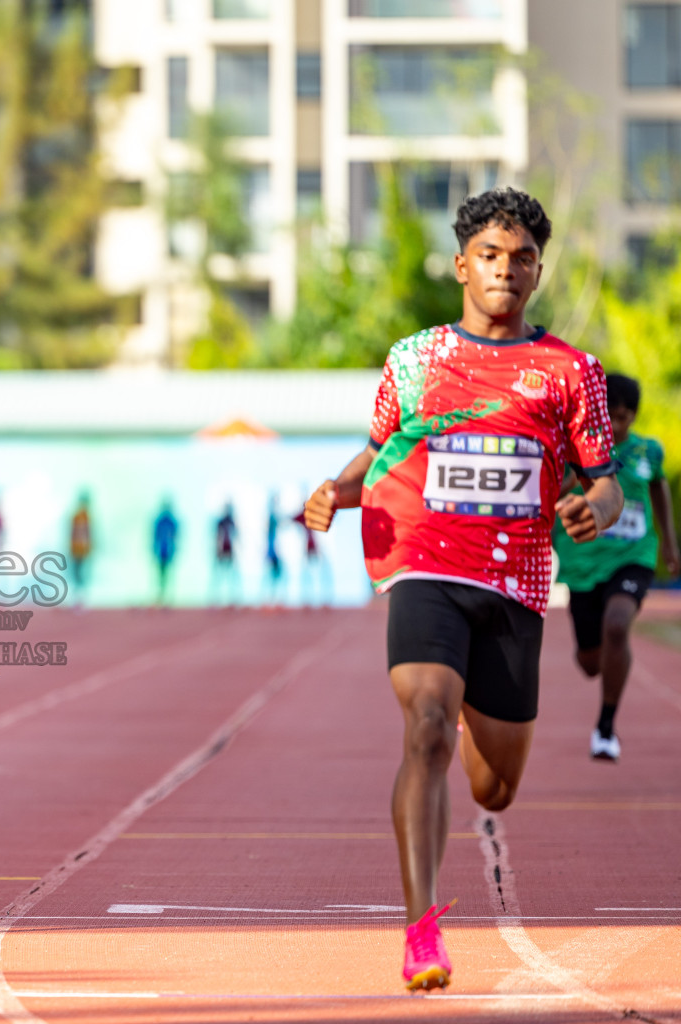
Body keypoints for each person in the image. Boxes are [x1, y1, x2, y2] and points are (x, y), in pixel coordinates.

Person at [303, 188, 621, 992]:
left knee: (494, 786)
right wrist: (336, 493)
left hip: (515, 586)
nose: (505, 270)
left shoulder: (571, 373)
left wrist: (592, 507)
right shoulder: (414, 360)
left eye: (521, 259)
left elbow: (605, 481)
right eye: (490, 255)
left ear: (538, 273)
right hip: (424, 566)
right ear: (461, 266)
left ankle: (478, 727)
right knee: (426, 729)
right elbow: (378, 451)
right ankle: (421, 932)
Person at [553, 373, 680, 762]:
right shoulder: (574, 451)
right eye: (610, 415)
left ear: (633, 415)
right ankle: (602, 660)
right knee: (591, 662)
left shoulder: (648, 452)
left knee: (617, 624)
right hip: (582, 562)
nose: (618, 424)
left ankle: (606, 727)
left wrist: (670, 545)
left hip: (634, 557)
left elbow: (659, 489)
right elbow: (549, 494)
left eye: (624, 416)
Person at [210, 503, 239, 606]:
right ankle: (215, 599)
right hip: (221, 550)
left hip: (229, 550)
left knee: (232, 575)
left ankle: (232, 599)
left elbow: (236, 536)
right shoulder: (221, 522)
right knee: (218, 575)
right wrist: (217, 549)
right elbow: (217, 536)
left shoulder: (232, 522)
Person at [152, 500, 178, 605]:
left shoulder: (171, 522)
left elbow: (175, 536)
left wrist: (174, 549)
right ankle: (160, 596)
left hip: (168, 551)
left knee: (168, 574)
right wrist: (154, 550)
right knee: (160, 575)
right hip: (161, 551)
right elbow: (155, 537)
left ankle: (168, 597)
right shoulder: (160, 521)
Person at [68, 494, 92, 604]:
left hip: (83, 550)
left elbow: (89, 534)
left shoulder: (87, 517)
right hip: (76, 550)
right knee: (76, 574)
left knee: (81, 574)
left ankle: (80, 598)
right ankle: (77, 598)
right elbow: (73, 533)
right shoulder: (77, 516)